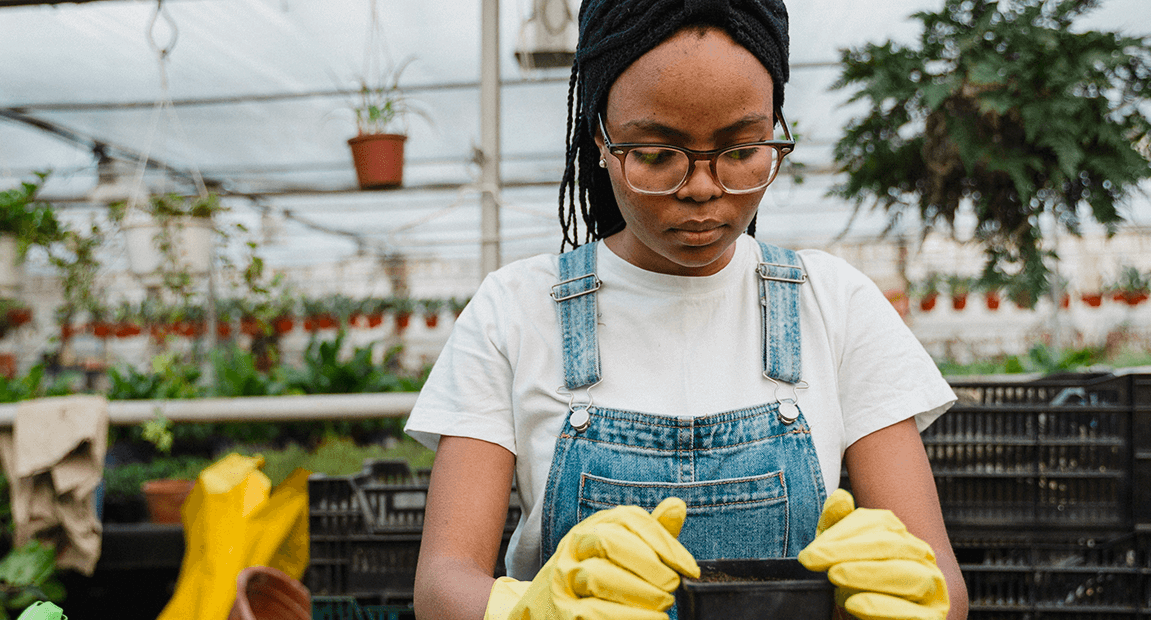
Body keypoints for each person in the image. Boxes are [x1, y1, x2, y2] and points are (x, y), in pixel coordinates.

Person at [408, 1, 966, 619]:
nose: (702, 187)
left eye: (740, 148)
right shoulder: (515, 312)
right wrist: (527, 610)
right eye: (655, 154)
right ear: (600, 136)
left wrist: (909, 596)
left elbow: (941, 581)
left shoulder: (835, 305)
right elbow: (441, 586)